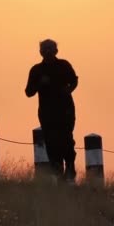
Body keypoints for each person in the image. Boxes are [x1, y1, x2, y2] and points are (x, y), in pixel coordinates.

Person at [25, 39, 78, 182]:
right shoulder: (36, 70)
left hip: (65, 111)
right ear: (40, 52)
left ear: (56, 51)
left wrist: (69, 89)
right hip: (47, 114)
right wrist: (39, 83)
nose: (48, 51)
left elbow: (74, 80)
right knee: (50, 142)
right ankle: (58, 174)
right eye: (45, 49)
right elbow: (28, 92)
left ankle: (70, 167)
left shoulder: (64, 65)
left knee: (66, 139)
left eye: (50, 48)